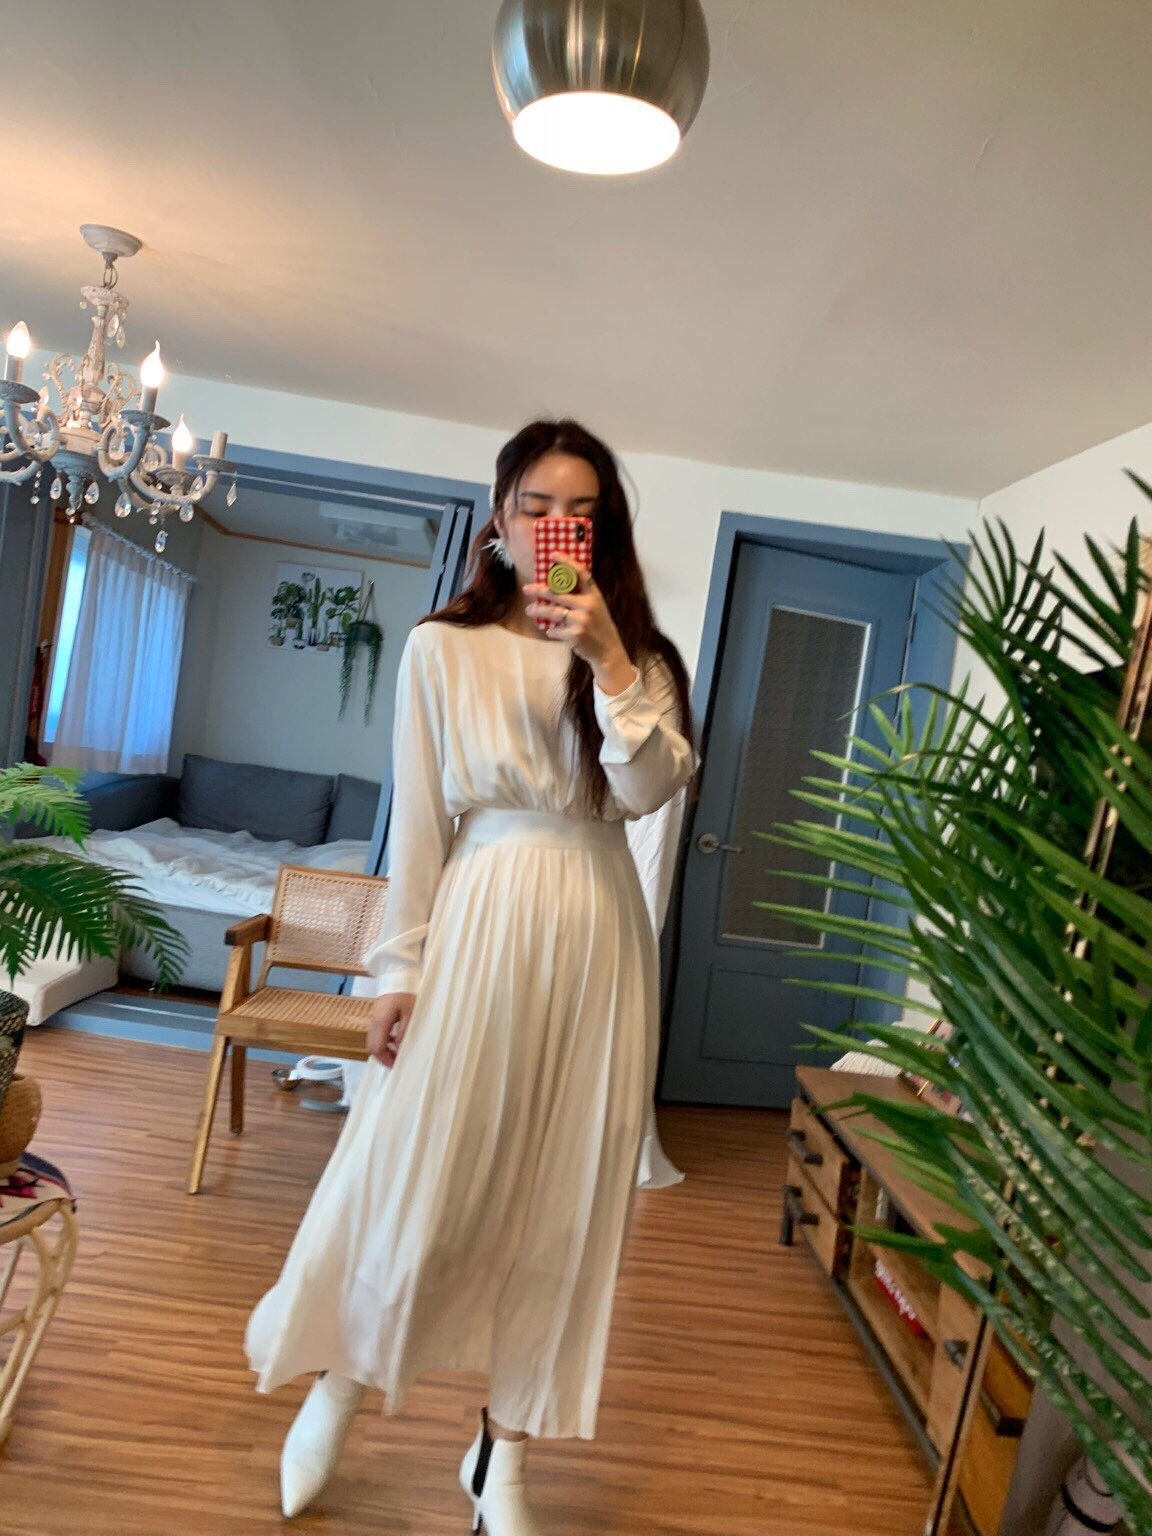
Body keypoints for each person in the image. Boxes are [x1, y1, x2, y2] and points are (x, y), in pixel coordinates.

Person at [245, 418, 696, 1533]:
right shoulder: (440, 648)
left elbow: (648, 792)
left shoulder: (641, 660)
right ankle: (341, 1384)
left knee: (568, 1201)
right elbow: (419, 824)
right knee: (417, 1169)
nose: (557, 527)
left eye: (581, 511)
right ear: (500, 520)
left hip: (600, 934)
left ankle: (504, 1458)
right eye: (537, 507)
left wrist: (608, 658)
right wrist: (395, 972)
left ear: (606, 530)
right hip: (480, 917)